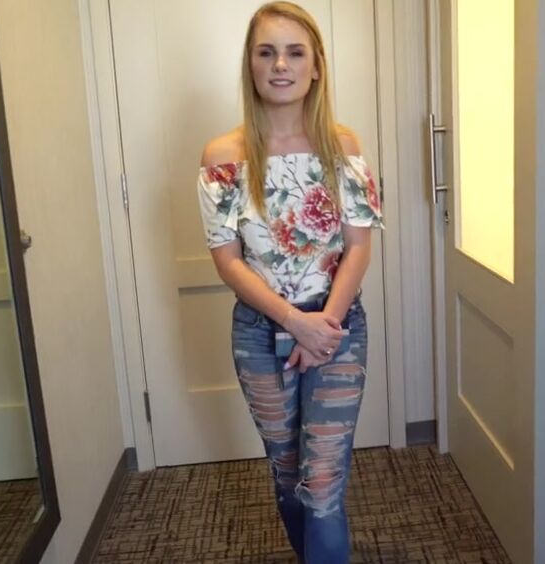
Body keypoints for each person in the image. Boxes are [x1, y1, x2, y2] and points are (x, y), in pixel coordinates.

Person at [197, 2, 383, 562]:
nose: (281, 65)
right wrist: (293, 323)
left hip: (336, 328)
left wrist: (321, 327)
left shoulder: (343, 147)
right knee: (287, 473)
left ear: (316, 66)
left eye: (295, 52)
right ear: (251, 65)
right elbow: (228, 262)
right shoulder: (223, 156)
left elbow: (358, 247)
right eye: (267, 52)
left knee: (322, 482)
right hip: (261, 334)